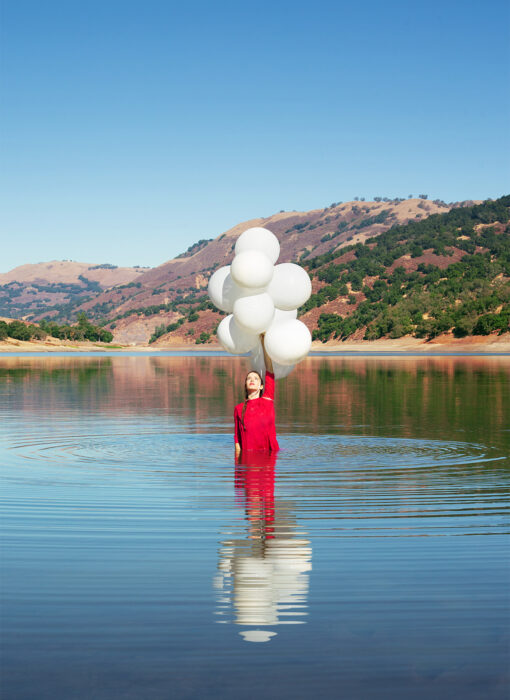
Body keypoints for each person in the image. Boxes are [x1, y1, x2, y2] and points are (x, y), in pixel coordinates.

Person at [234, 334, 279, 456]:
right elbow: (237, 437)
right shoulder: (238, 408)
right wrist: (239, 460)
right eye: (249, 378)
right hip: (248, 458)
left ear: (261, 386)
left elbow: (269, 370)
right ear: (245, 385)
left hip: (269, 456)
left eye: (256, 378)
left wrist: (264, 343)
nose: (252, 380)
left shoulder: (267, 400)